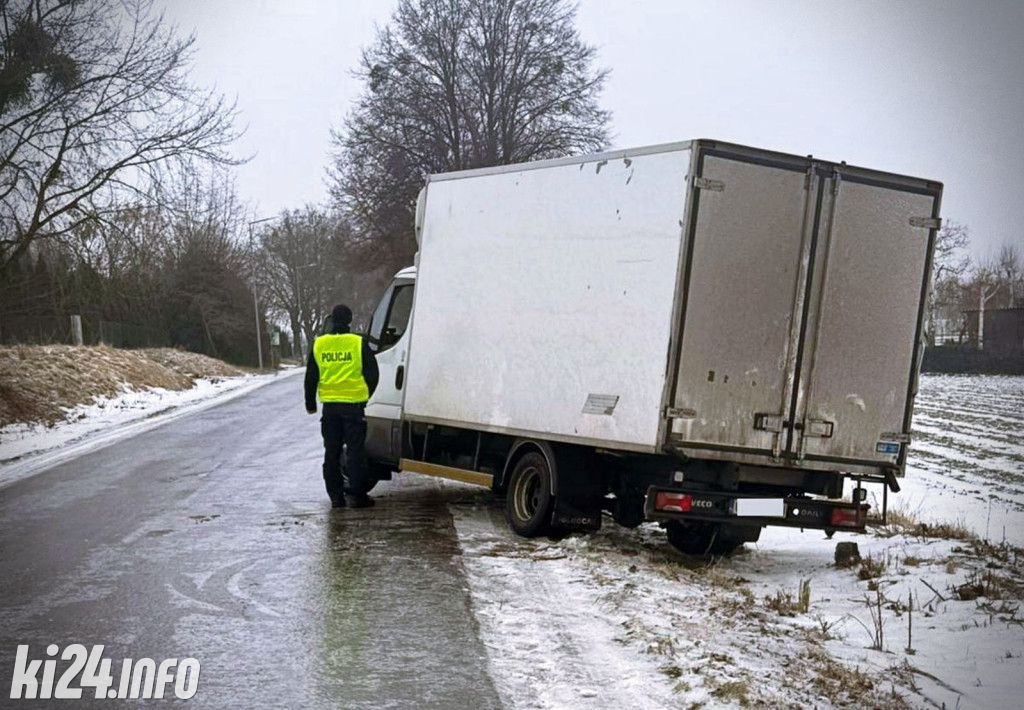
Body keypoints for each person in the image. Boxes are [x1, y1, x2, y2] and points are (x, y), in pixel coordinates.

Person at [305, 304, 379, 508]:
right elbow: (373, 373)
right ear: (349, 320)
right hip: (353, 407)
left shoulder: (319, 344)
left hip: (330, 408)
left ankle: (336, 497)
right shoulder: (357, 343)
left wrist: (310, 403)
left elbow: (311, 376)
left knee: (332, 452)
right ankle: (358, 496)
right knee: (355, 452)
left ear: (331, 319)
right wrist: (365, 395)